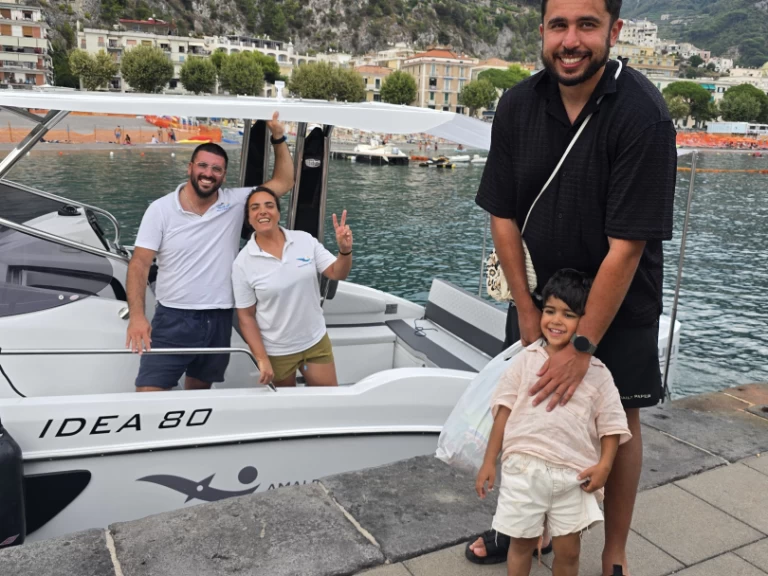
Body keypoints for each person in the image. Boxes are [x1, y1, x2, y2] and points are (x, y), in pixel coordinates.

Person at [467, 0, 677, 573]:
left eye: (587, 25)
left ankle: (613, 551)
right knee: (532, 409)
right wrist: (527, 310)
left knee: (619, 420)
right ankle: (526, 528)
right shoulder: (516, 105)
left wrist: (583, 346)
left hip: (623, 300)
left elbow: (627, 245)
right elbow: (503, 216)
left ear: (614, 30)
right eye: (559, 25)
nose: (571, 40)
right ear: (542, 32)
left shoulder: (644, 114)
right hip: (540, 298)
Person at [125, 112, 294, 392]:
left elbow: (285, 181)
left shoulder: (236, 201)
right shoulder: (161, 210)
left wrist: (278, 136)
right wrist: (138, 317)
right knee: (148, 394)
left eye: (216, 169)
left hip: (218, 318)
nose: (208, 174)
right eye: (202, 166)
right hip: (173, 318)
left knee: (200, 395)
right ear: (190, 168)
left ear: (223, 175)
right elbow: (140, 264)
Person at [477, 270, 630, 576]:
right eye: (549, 311)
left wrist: (605, 465)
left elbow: (611, 425)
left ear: (584, 320)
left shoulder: (598, 372)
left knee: (569, 552)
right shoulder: (526, 360)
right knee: (519, 544)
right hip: (523, 470)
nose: (556, 321)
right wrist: (489, 461)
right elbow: (503, 410)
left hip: (574, 476)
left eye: (568, 314)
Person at [232, 188, 353, 387]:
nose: (263, 211)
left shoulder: (304, 240)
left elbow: (336, 272)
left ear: (278, 213)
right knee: (287, 411)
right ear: (249, 219)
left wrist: (345, 251)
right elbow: (246, 316)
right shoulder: (242, 263)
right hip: (277, 350)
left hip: (315, 341)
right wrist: (262, 358)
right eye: (255, 208)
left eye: (269, 205)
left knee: (328, 403)